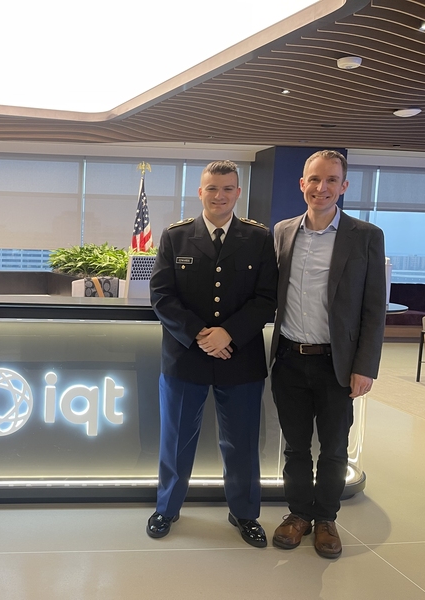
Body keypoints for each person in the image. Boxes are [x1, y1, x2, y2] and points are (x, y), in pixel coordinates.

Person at [147, 160, 278, 546]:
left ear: (238, 192)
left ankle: (244, 513)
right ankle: (167, 508)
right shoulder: (176, 236)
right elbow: (162, 296)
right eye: (211, 188)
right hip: (186, 356)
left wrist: (229, 334)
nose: (219, 196)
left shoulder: (258, 237)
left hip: (240, 357)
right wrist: (201, 335)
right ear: (200, 192)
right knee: (175, 440)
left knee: (240, 442)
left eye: (227, 189)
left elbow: (266, 298)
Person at [270, 150, 386, 559]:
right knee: (296, 447)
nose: (322, 188)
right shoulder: (283, 231)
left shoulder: (366, 236)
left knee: (334, 447)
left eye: (331, 180)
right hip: (288, 358)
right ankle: (298, 514)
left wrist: (365, 367)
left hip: (336, 363)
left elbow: (374, 308)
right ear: (301, 184)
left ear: (344, 186)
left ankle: (326, 519)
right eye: (314, 180)